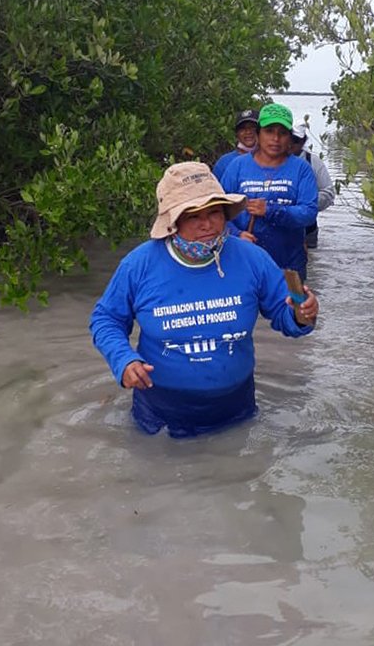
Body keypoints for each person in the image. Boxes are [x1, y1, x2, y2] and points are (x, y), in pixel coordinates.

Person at [89, 161, 320, 438]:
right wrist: (123, 360)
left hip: (237, 409)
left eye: (214, 212)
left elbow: (286, 315)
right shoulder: (139, 264)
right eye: (193, 216)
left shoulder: (252, 258)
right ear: (173, 222)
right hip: (160, 415)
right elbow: (106, 319)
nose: (207, 224)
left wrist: (302, 313)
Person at [219, 102, 319, 280]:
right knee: (247, 307)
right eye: (269, 131)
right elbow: (219, 212)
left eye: (282, 133)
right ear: (258, 134)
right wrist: (237, 234)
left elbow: (309, 212)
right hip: (245, 262)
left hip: (290, 266)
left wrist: (271, 211)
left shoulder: (301, 169)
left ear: (290, 137)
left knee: (294, 307)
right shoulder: (237, 167)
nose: (276, 138)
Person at [290, 121, 335, 249]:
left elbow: (329, 191)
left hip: (308, 226)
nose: (291, 144)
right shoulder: (273, 160)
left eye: (296, 140)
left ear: (303, 141)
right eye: (289, 138)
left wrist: (307, 203)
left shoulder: (313, 161)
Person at [212, 108, 260, 185]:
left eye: (253, 127)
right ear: (237, 134)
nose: (248, 132)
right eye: (242, 128)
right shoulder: (224, 162)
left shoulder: (273, 159)